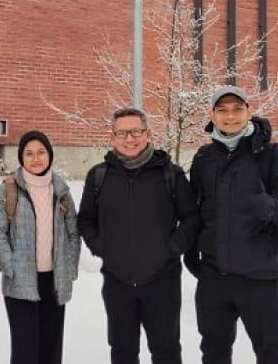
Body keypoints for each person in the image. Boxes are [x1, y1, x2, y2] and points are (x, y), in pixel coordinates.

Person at [185, 85, 278, 364]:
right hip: (215, 278)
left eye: (238, 109)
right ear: (213, 116)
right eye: (223, 110)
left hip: (261, 279)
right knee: (213, 353)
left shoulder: (272, 156)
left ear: (249, 112)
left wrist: (271, 207)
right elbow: (196, 212)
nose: (231, 116)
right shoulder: (204, 159)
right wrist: (192, 251)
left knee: (272, 354)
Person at [77, 107, 201, 364]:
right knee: (122, 352)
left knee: (166, 351)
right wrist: (101, 246)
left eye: (136, 131)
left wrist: (173, 247)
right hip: (117, 282)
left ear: (147, 134)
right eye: (122, 133)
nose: (129, 138)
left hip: (162, 283)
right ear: (112, 138)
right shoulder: (99, 176)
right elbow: (86, 219)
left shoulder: (170, 174)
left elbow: (191, 217)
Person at [0, 130, 81, 364]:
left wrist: (68, 268)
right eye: (29, 153)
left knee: (51, 349)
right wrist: (12, 267)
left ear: (49, 155)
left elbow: (73, 233)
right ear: (21, 158)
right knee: (25, 351)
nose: (35, 158)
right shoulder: (8, 189)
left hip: (54, 282)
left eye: (41, 152)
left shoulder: (61, 190)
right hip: (21, 282)